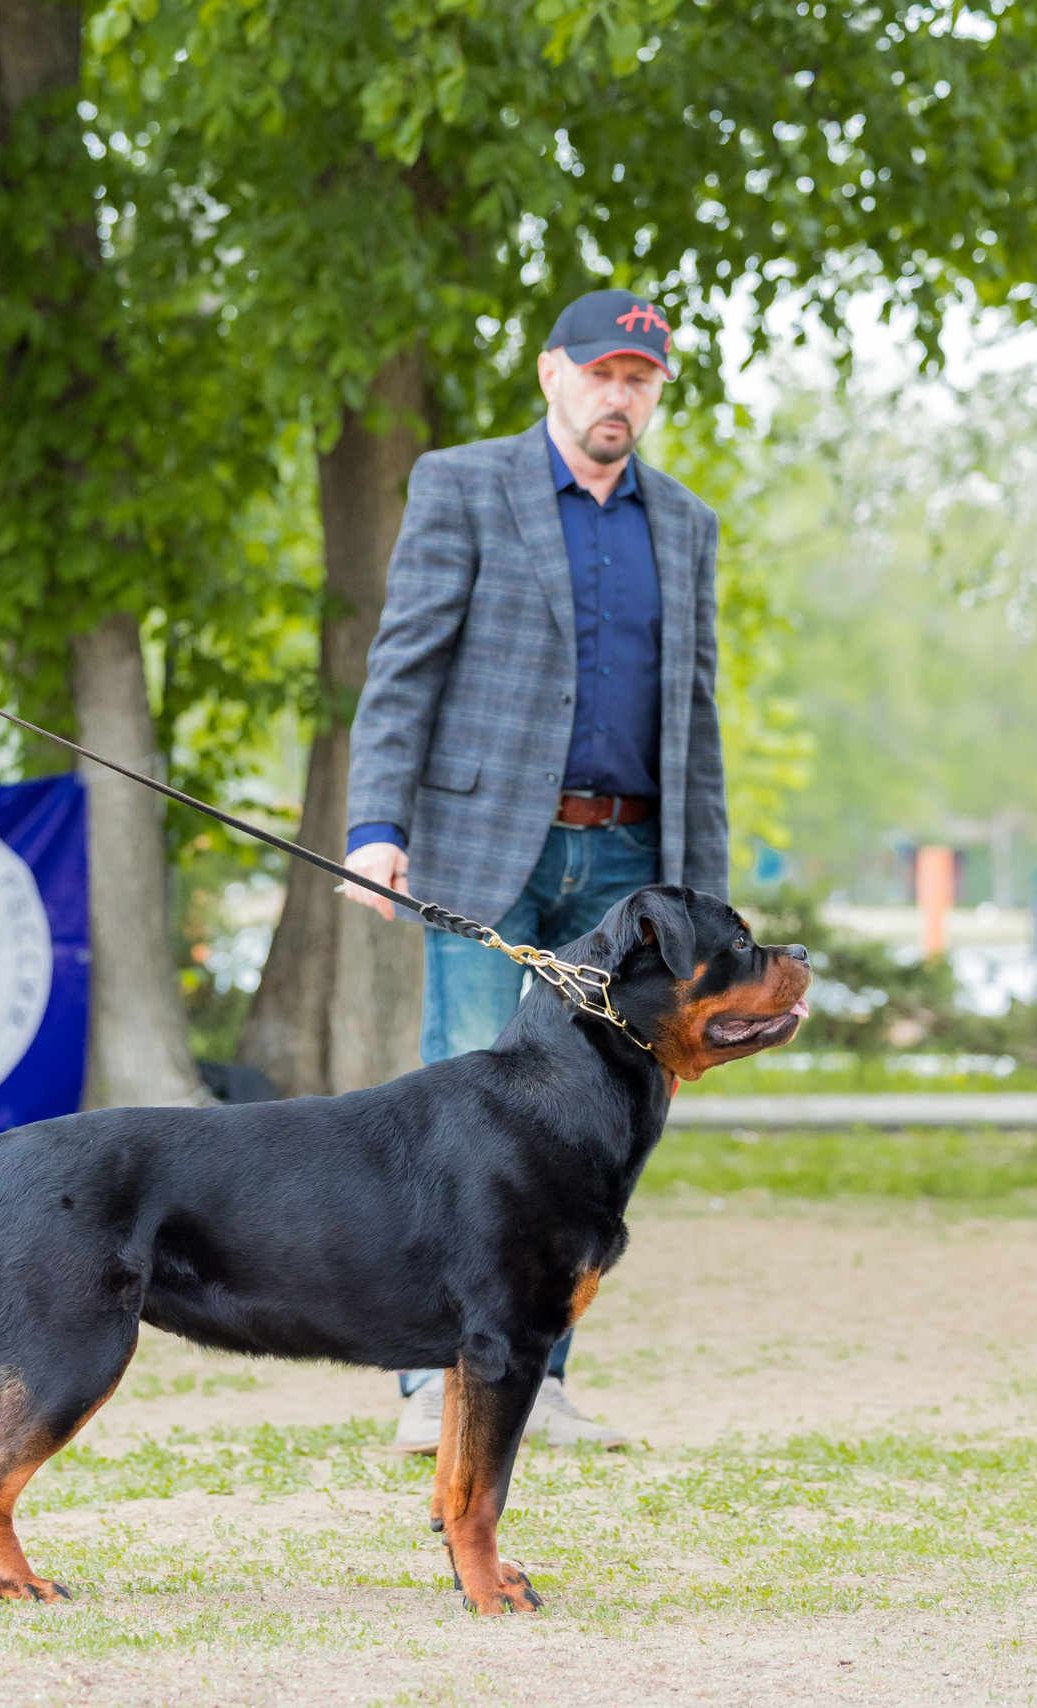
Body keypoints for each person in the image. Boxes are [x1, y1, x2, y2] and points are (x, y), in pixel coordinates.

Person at [341, 287, 728, 1455]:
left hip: (626, 861)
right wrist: (374, 824)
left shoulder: (686, 523)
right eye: (604, 373)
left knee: (595, 1127)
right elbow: (403, 665)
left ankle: (538, 1377)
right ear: (552, 374)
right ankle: (429, 1383)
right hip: (479, 847)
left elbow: (695, 714)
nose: (621, 396)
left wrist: (700, 895)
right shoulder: (462, 484)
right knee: (462, 1102)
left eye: (642, 380)